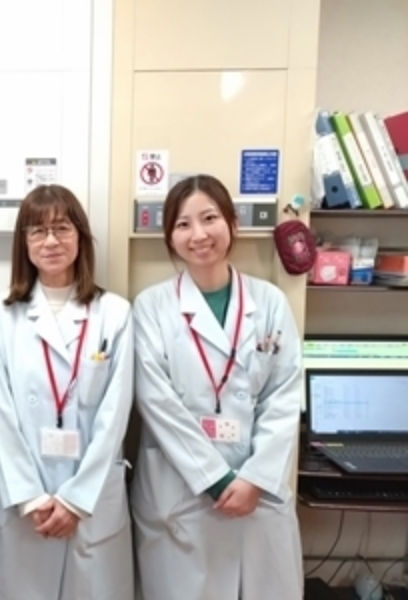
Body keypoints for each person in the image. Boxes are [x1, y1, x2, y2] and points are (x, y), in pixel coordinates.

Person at [131, 174, 303, 600]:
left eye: (209, 218)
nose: (199, 234)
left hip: (257, 491)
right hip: (182, 492)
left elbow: (283, 397)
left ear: (232, 223)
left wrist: (255, 479)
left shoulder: (269, 302)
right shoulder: (152, 307)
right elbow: (156, 402)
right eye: (183, 224)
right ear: (170, 237)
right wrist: (215, 479)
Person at [0, 184, 134, 600]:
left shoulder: (114, 313)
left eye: (62, 228)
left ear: (80, 236)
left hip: (90, 500)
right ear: (23, 243)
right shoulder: (1, 312)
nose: (51, 241)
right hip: (23, 501)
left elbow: (114, 416)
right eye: (38, 231)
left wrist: (76, 501)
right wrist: (30, 497)